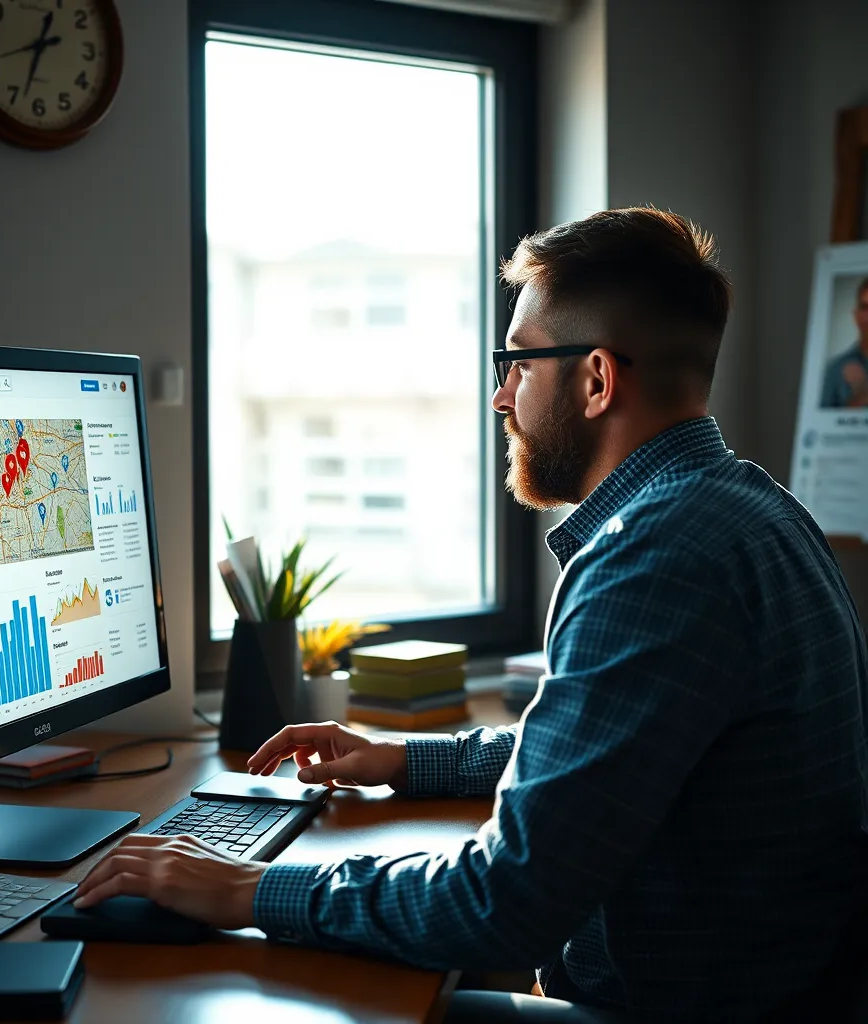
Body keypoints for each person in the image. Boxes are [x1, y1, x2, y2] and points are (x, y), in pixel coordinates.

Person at [74, 209, 868, 1023]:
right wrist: (406, 760)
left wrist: (247, 888)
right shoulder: (753, 507)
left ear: (597, 380)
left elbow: (503, 903)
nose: (500, 395)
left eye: (519, 362)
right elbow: (604, 752)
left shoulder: (655, 560)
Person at [820, 277, 868, 408]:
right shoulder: (834, 370)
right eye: (865, 307)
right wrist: (857, 401)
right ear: (855, 315)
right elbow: (822, 424)